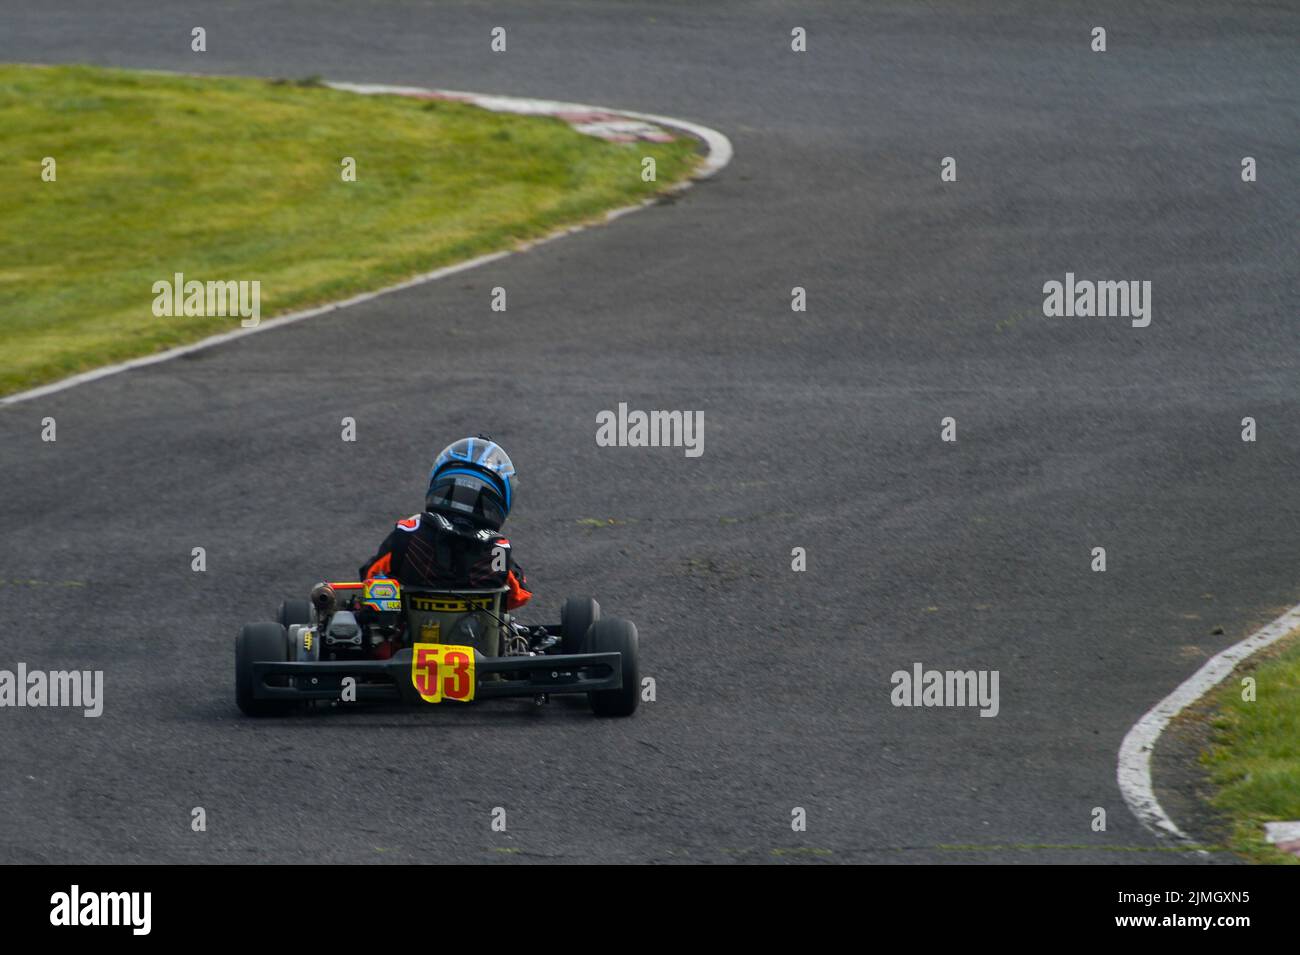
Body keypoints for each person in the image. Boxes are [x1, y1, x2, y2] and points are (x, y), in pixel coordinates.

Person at [359, 436, 532, 610]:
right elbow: (519, 596)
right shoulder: (497, 549)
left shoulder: (409, 533)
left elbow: (370, 575)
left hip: (410, 633)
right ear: (499, 500)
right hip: (478, 634)